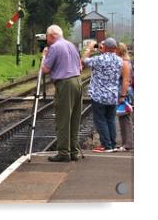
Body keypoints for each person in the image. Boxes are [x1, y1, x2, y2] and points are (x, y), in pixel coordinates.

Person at [41, 24, 83, 162]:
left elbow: (45, 69)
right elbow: (80, 66)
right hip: (77, 81)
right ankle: (74, 151)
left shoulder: (54, 48)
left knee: (63, 119)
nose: (46, 39)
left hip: (65, 84)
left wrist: (44, 56)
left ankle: (64, 152)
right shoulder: (71, 45)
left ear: (52, 36)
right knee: (74, 119)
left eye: (47, 36)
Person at [82, 37, 130, 153]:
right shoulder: (120, 61)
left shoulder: (98, 59)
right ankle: (112, 144)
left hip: (99, 96)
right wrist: (122, 95)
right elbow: (125, 80)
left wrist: (89, 49)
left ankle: (106, 146)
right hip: (113, 96)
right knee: (111, 120)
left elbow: (83, 61)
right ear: (115, 48)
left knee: (100, 120)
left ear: (105, 47)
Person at [115, 42, 133, 151]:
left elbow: (125, 80)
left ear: (119, 51)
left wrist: (122, 95)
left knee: (125, 119)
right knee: (123, 118)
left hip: (124, 93)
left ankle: (128, 143)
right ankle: (126, 143)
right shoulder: (126, 61)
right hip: (125, 92)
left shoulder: (124, 63)